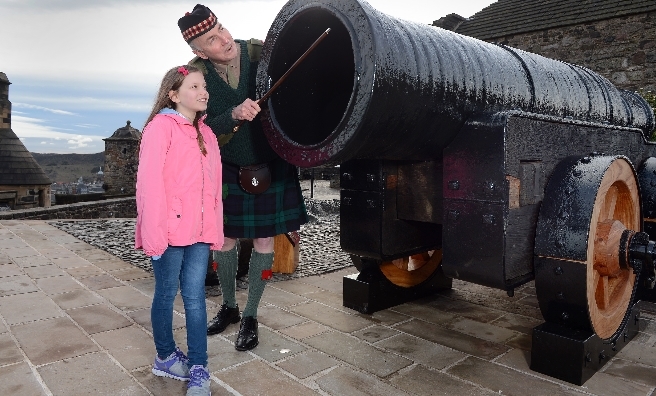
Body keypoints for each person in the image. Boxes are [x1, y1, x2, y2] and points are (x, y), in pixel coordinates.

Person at [177, 4, 308, 351]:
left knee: (265, 243)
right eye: (212, 39)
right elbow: (192, 128)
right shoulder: (194, 77)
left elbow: (298, 88)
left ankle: (250, 314)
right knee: (224, 243)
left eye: (221, 28)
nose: (224, 39)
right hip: (226, 171)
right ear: (198, 50)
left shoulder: (260, 52)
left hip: (271, 165)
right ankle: (230, 307)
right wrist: (232, 115)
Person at [135, 64, 222, 396]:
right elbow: (149, 185)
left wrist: (213, 228)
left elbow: (212, 189)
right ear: (173, 95)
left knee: (196, 297)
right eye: (195, 87)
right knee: (165, 293)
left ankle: (199, 367)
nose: (204, 93)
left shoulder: (208, 133)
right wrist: (154, 234)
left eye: (204, 87)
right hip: (168, 233)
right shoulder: (160, 128)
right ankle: (166, 356)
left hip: (199, 232)